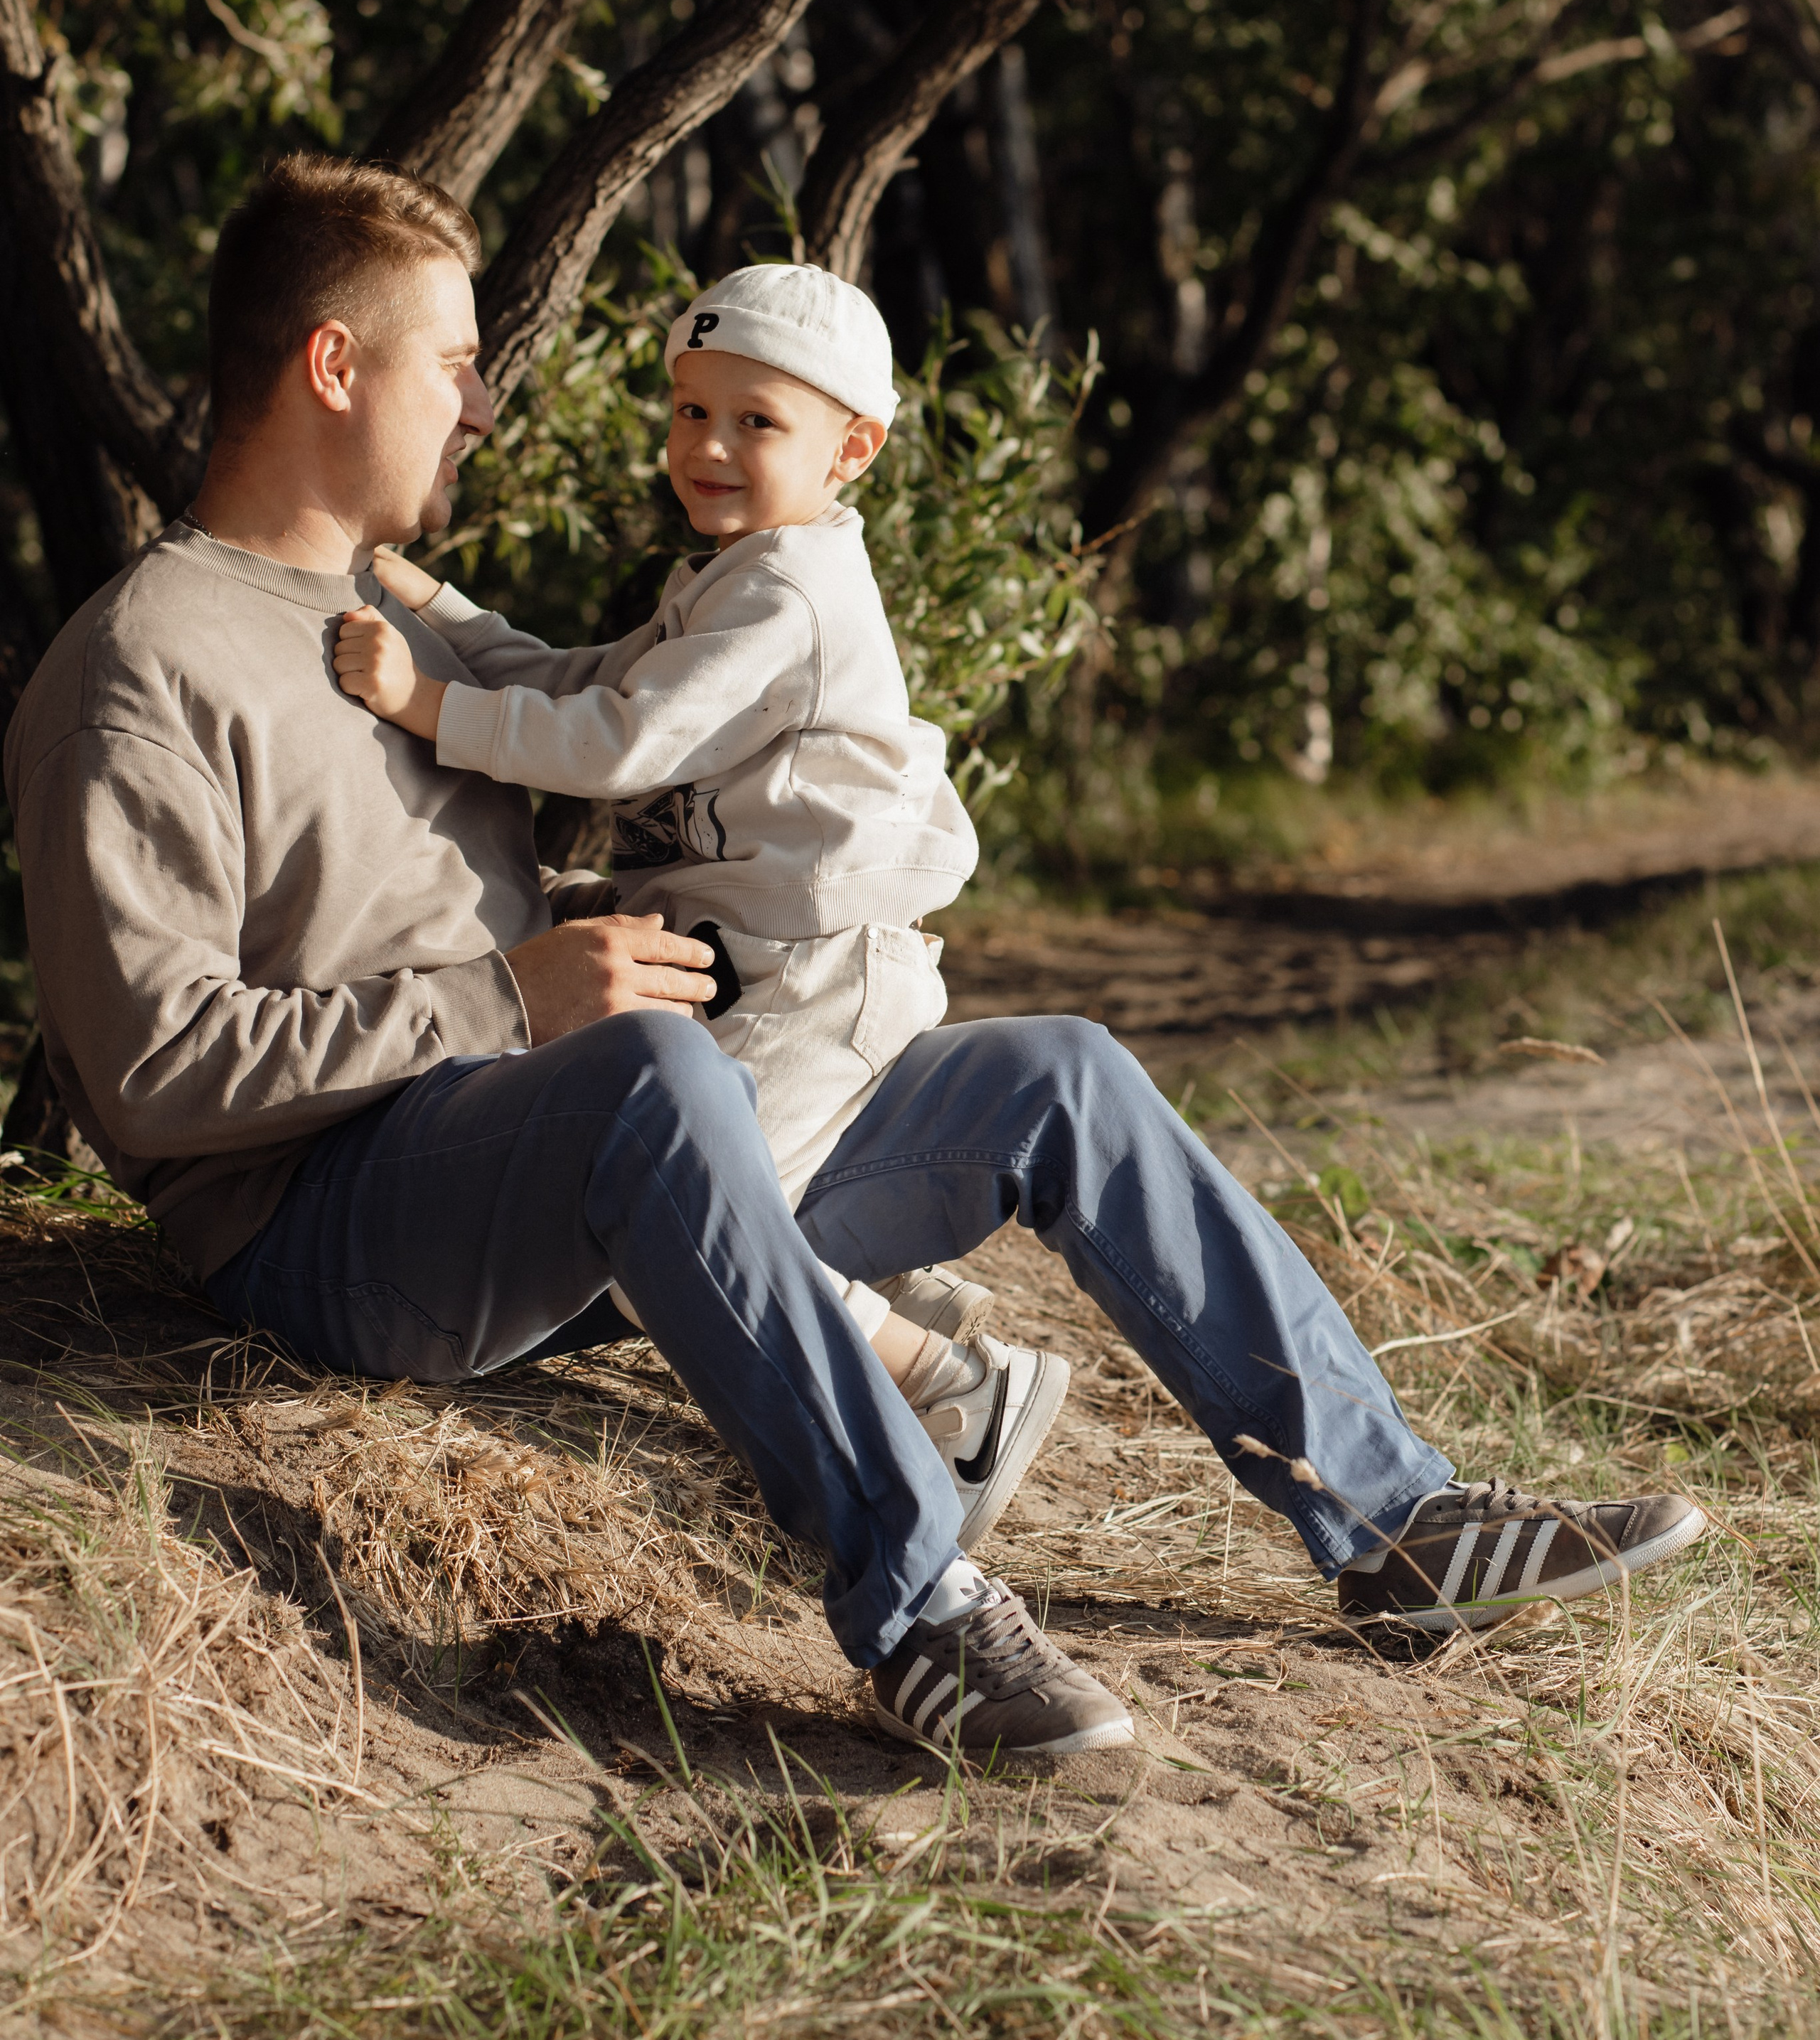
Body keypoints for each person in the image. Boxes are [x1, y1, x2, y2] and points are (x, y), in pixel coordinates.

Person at [4, 156, 1709, 1766]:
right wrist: (508, 1003)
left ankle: (1392, 1520)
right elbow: (152, 1080)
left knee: (1058, 1076)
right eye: (452, 362)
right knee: (650, 1081)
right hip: (343, 1228)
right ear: (330, 363)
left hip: (579, 1163)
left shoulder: (410, 620)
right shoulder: (142, 666)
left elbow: (600, 729)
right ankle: (918, 1613)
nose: (478, 401)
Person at [329, 260, 1064, 1548]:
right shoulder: (733, 574)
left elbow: (614, 740)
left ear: (855, 449)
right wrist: (439, 608)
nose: (707, 447)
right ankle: (911, 1312)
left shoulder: (789, 593)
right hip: (762, 961)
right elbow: (587, 676)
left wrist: (424, 704)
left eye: (756, 422)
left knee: (718, 1231)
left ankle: (963, 1395)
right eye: (688, 411)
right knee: (704, 1197)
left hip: (819, 969)